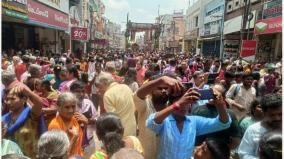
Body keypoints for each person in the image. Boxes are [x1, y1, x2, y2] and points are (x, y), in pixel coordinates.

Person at [146, 87, 232, 159]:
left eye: (187, 103)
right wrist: (178, 103)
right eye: (180, 103)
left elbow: (223, 123)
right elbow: (150, 123)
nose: (183, 106)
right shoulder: (165, 120)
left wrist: (220, 104)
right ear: (170, 105)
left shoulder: (194, 122)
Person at [134, 75, 178, 159]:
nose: (164, 91)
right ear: (151, 91)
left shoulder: (172, 106)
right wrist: (160, 80)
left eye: (166, 88)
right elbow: (138, 94)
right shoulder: (144, 105)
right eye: (159, 88)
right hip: (146, 154)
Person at [192, 84, 240, 149]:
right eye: (211, 92)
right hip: (200, 152)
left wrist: (224, 152)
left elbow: (236, 138)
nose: (213, 94)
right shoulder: (197, 110)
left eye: (216, 94)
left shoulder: (229, 113)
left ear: (223, 97)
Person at [2, 83, 44, 158]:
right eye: (7, 99)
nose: (8, 102)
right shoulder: (4, 119)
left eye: (12, 99)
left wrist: (28, 92)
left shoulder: (31, 115)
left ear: (24, 99)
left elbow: (39, 103)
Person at [238, 93, 282, 159]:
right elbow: (244, 154)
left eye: (280, 114)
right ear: (264, 113)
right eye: (272, 115)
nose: (277, 118)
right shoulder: (253, 130)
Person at [96, 72, 137, 136]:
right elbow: (134, 107)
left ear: (105, 83)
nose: (99, 90)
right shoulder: (126, 87)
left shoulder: (107, 95)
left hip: (120, 132)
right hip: (132, 128)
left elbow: (113, 119)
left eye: (100, 87)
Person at [48, 92, 84, 157]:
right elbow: (60, 156)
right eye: (67, 107)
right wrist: (74, 138)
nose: (71, 110)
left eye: (73, 106)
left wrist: (86, 123)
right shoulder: (55, 125)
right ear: (59, 108)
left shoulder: (74, 119)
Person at [70, 81, 98, 158]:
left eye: (83, 91)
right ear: (71, 92)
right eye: (78, 92)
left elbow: (97, 119)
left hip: (89, 142)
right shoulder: (66, 106)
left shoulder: (88, 103)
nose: (81, 94)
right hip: (73, 143)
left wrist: (88, 121)